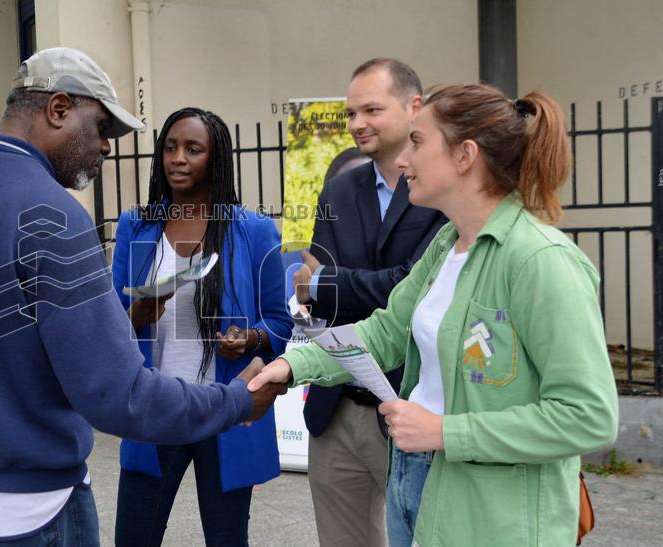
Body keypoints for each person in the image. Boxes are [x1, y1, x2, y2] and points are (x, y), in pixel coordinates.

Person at [0, 48, 285, 546]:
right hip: (22, 510)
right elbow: (116, 392)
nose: (108, 148)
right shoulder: (53, 213)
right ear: (60, 108)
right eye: (103, 129)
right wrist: (240, 398)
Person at [249, 83, 620, 546]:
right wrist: (291, 366)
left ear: (465, 155)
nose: (402, 161)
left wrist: (446, 432)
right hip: (418, 479)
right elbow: (385, 331)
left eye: (418, 142)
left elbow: (588, 416)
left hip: (494, 517)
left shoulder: (540, 261)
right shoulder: (447, 245)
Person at [111, 107, 293, 546]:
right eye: (170, 148)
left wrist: (251, 338)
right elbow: (107, 318)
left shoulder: (253, 230)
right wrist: (136, 315)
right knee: (133, 537)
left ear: (216, 159)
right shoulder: (136, 226)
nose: (177, 158)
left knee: (227, 539)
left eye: (193, 149)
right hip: (155, 407)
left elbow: (280, 321)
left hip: (223, 408)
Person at [292, 59, 446, 546]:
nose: (357, 123)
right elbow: (315, 298)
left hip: (410, 406)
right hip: (335, 407)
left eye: (372, 109)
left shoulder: (441, 186)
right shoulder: (340, 187)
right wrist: (335, 287)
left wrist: (329, 283)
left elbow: (413, 290)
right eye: (351, 112)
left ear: (413, 106)